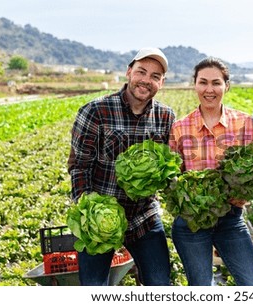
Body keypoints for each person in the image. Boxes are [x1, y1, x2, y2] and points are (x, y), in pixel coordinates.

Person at [68, 47, 175, 286]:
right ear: (129, 72)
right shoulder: (96, 111)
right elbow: (79, 166)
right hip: (100, 219)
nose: (147, 80)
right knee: (95, 288)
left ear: (162, 83)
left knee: (160, 283)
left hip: (143, 217)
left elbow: (170, 169)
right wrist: (90, 216)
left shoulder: (166, 117)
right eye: (142, 72)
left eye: (155, 76)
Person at [168, 57, 253, 286]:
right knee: (202, 288)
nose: (209, 89)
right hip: (191, 223)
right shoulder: (180, 127)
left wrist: (246, 195)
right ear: (194, 85)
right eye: (203, 82)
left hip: (230, 219)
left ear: (226, 86)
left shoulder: (244, 123)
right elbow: (171, 177)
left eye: (216, 83)